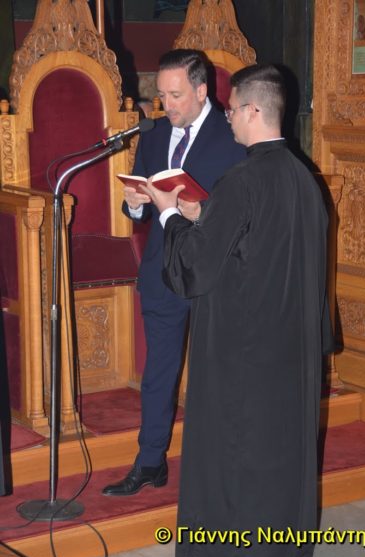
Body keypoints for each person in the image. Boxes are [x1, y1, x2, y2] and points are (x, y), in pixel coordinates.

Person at [142, 64, 333, 557]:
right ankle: (285, 553)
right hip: (289, 347)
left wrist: (168, 214)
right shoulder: (303, 177)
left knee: (242, 451)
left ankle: (239, 555)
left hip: (243, 349)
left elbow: (195, 269)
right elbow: (263, 242)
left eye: (230, 110)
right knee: (281, 454)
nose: (226, 118)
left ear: (252, 110)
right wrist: (203, 215)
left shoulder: (242, 180)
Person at [102, 49, 246, 497]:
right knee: (158, 375)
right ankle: (150, 462)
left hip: (214, 275)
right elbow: (140, 207)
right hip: (164, 272)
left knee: (217, 374)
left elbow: (245, 210)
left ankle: (220, 466)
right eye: (162, 95)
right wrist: (134, 203)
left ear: (203, 91)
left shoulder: (234, 136)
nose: (167, 105)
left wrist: (202, 211)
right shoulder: (155, 133)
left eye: (176, 95)